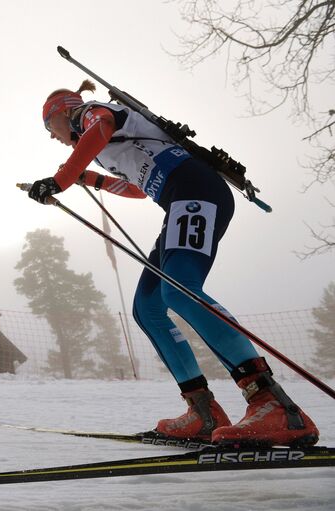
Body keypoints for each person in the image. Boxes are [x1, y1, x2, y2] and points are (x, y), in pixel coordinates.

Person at [29, 80, 319, 447]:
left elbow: (100, 125)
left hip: (196, 191)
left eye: (47, 126)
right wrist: (92, 178)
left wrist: (61, 180)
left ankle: (273, 403)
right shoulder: (101, 147)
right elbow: (138, 185)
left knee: (180, 291)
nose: (52, 137)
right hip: (179, 199)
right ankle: (202, 411)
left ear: (61, 112)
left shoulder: (90, 114)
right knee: (147, 308)